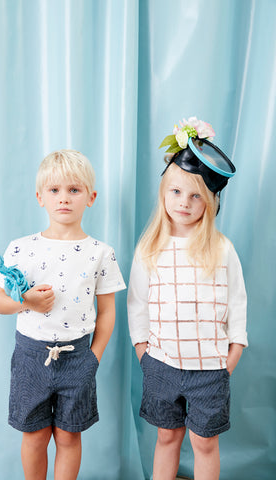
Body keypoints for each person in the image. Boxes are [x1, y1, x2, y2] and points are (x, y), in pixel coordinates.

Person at [0, 149, 126, 480]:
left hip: (77, 355)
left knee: (68, 435)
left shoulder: (101, 253)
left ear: (90, 197)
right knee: (35, 435)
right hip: (30, 355)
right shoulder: (21, 248)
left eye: (74, 190)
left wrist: (92, 357)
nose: (63, 198)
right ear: (40, 197)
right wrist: (28, 302)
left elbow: (107, 313)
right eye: (54, 190)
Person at [127, 117, 248, 480]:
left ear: (210, 201)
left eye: (196, 195)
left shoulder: (221, 248)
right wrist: (143, 351)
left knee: (204, 443)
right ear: (164, 193)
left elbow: (237, 301)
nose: (184, 202)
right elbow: (138, 303)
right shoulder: (150, 248)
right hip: (161, 364)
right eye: (176, 192)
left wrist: (233, 352)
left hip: (210, 369)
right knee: (167, 437)